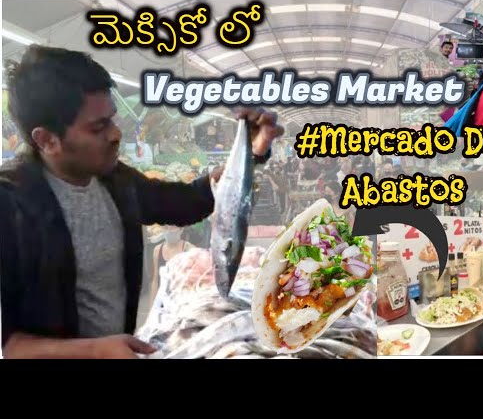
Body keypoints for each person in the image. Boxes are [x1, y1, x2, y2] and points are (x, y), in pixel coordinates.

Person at [0, 45, 283, 359]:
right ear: (46, 140)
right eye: (98, 127)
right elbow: (6, 344)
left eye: (111, 120)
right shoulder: (10, 208)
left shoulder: (115, 180)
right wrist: (96, 351)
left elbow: (186, 202)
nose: (115, 134)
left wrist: (252, 154)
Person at [149, 226, 195, 308]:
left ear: (181, 228)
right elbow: (155, 280)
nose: (169, 230)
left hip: (181, 303)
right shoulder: (157, 250)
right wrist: (152, 308)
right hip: (163, 301)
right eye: (166, 227)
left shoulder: (189, 249)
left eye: (173, 227)